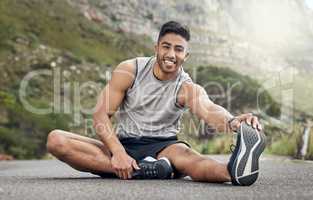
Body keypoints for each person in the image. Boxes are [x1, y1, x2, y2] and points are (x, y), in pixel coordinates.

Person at [46, 21, 266, 186]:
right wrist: (118, 153)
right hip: (124, 145)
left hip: (164, 149)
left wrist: (234, 122)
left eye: (178, 49)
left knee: (189, 159)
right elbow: (100, 116)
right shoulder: (129, 70)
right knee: (57, 140)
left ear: (186, 56)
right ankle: (144, 170)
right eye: (166, 46)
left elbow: (208, 109)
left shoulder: (186, 87)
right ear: (156, 47)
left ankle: (234, 172)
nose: (171, 54)